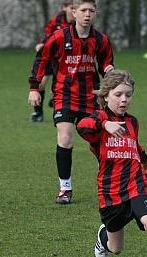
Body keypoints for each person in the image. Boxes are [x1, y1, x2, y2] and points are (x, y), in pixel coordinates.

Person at [76, 69, 147, 257]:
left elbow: (133, 144)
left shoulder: (132, 121)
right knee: (116, 249)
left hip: (136, 183)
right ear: (105, 96)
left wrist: (145, 159)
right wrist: (104, 124)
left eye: (128, 94)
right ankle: (103, 238)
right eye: (118, 95)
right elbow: (81, 125)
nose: (124, 99)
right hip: (110, 191)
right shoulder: (99, 120)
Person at [28, 0, 115, 204]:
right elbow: (41, 60)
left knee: (100, 141)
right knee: (66, 138)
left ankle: (113, 183)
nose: (87, 14)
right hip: (64, 96)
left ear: (96, 14)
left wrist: (108, 70)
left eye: (91, 11)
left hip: (90, 98)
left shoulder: (101, 39)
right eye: (83, 10)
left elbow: (106, 63)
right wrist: (34, 88)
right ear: (73, 13)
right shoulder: (59, 36)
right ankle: (65, 188)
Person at [30, 0, 74, 122]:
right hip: (51, 57)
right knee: (41, 84)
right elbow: (48, 34)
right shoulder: (56, 20)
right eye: (71, 7)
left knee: (61, 86)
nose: (73, 10)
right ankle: (38, 113)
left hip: (65, 59)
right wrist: (42, 44)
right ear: (64, 8)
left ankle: (56, 100)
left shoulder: (78, 22)